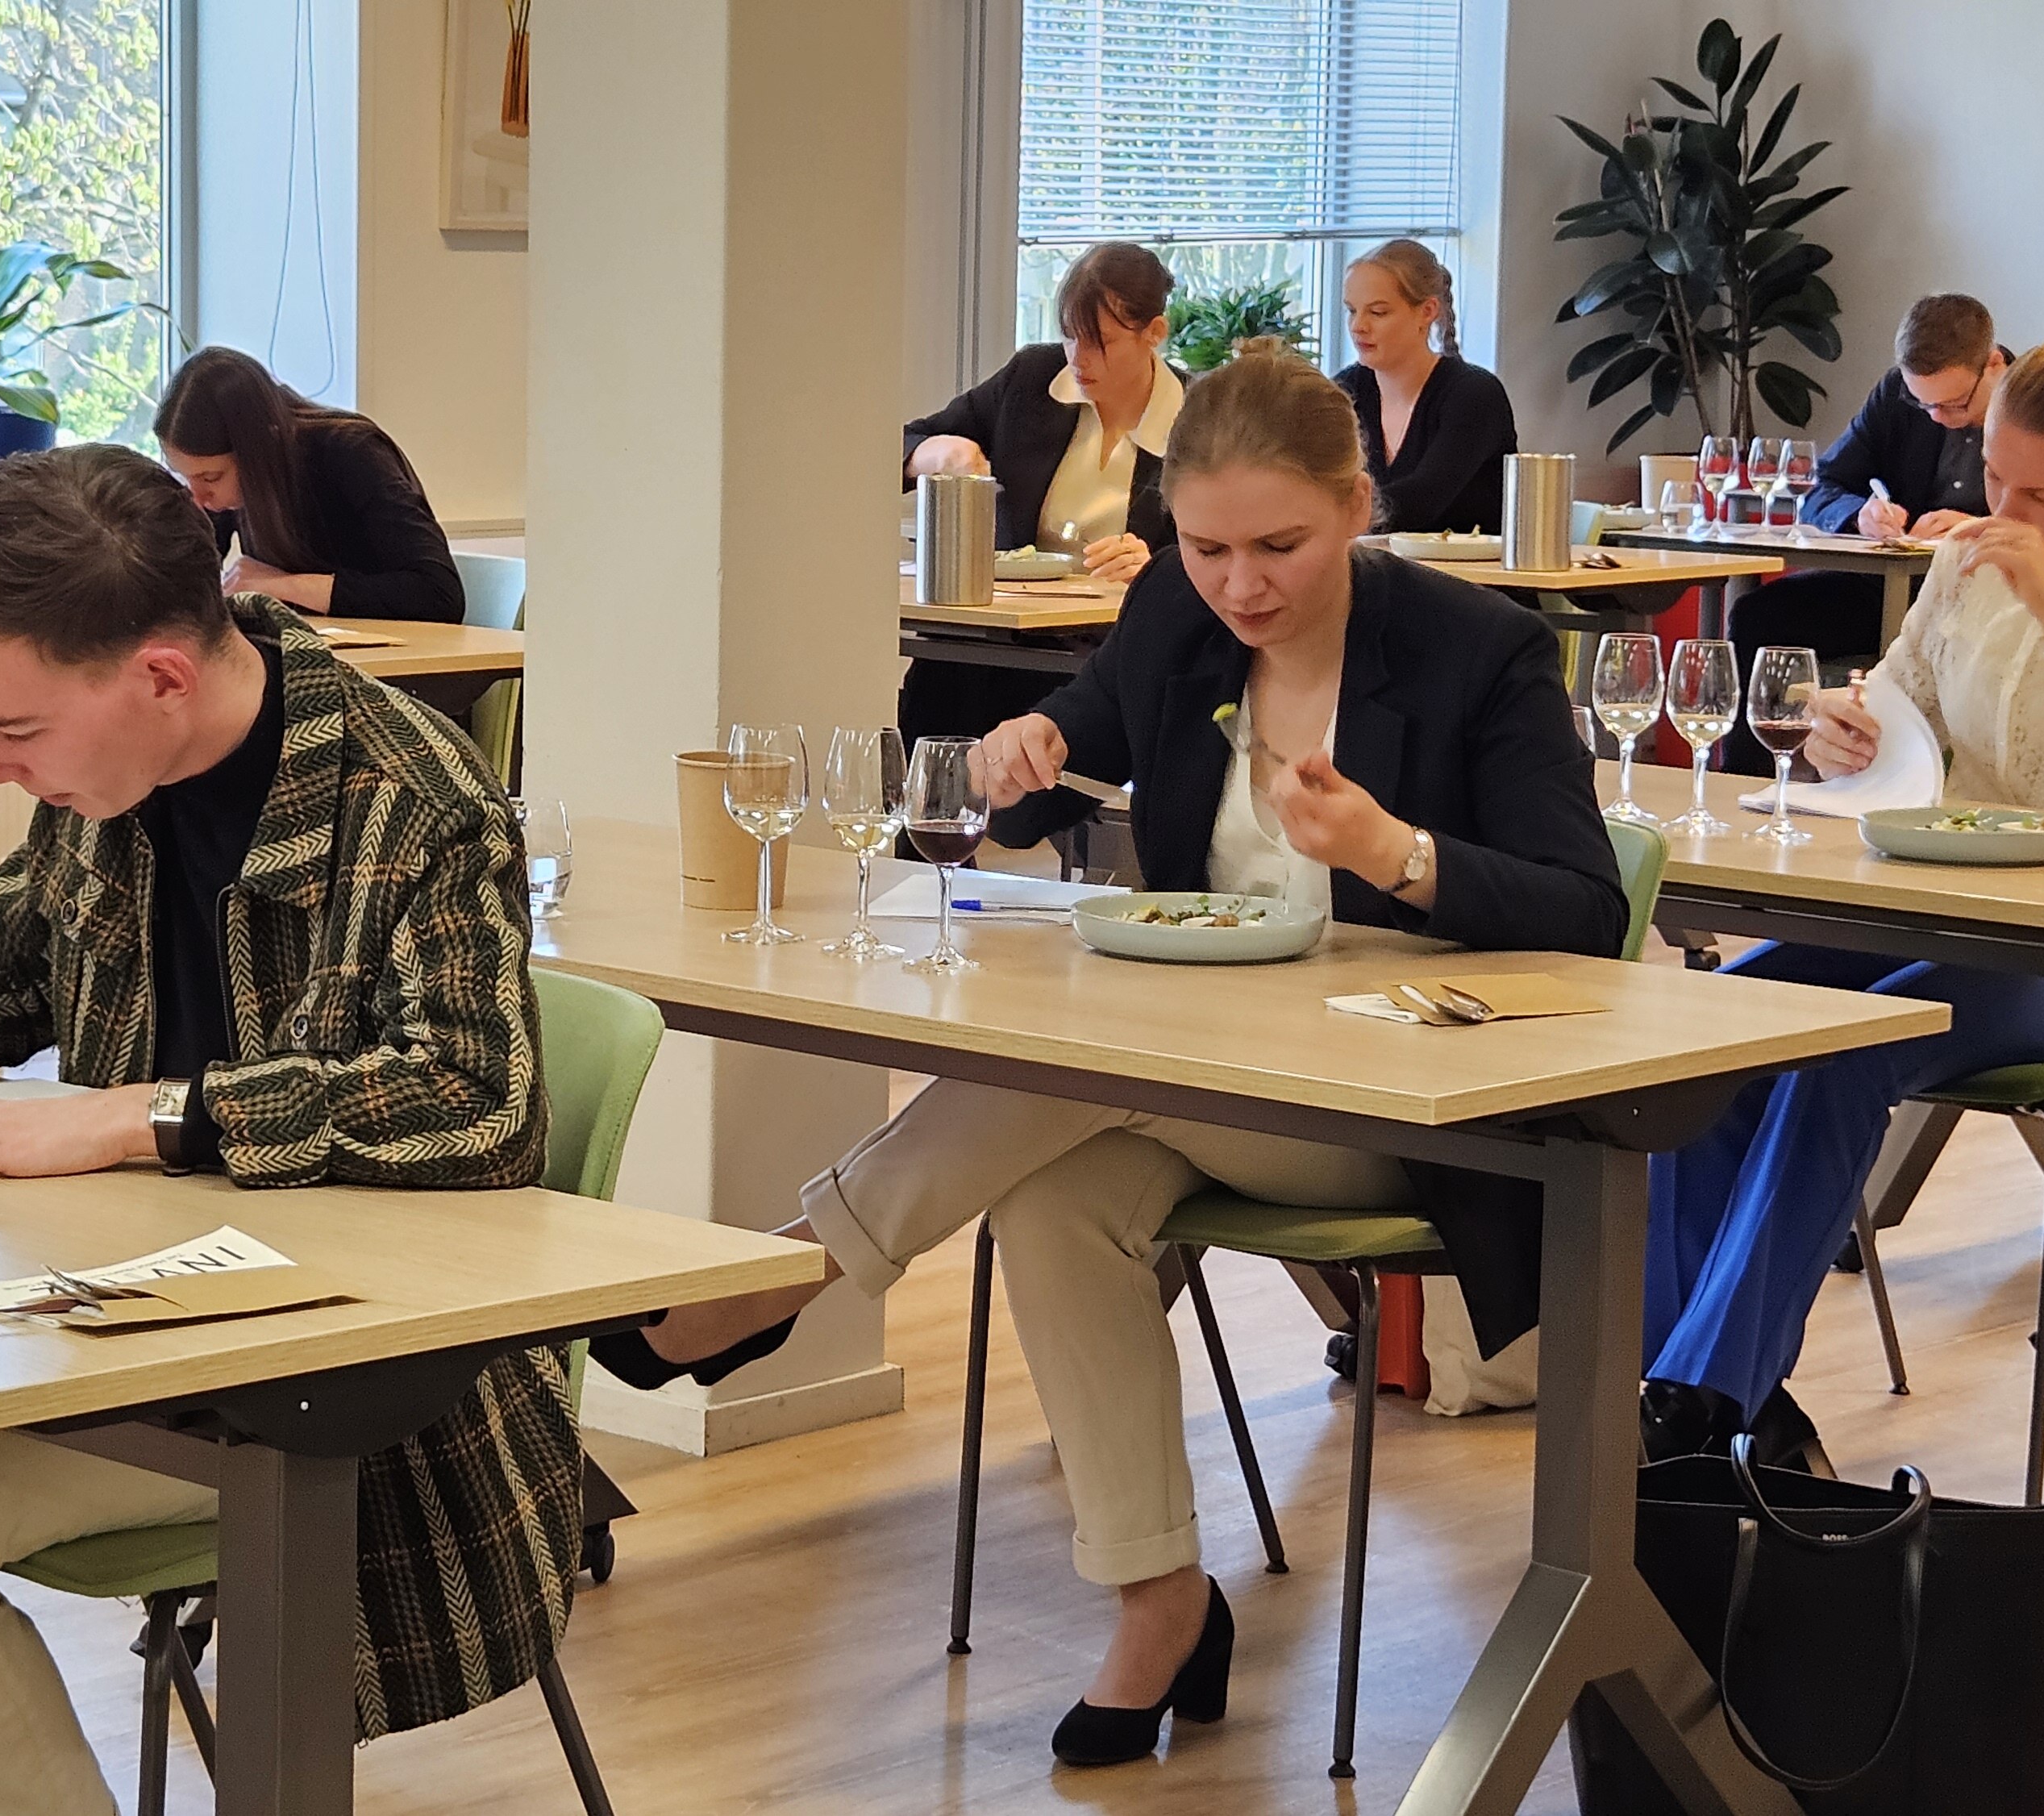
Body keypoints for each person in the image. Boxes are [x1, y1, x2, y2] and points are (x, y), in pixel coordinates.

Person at [598, 339, 1626, 1768]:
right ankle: (1160, 1600)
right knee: (1053, 1192)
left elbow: (1586, 910)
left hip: (1401, 1100)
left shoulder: (1479, 651)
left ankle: (792, 1268)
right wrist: (1021, 743)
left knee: (1076, 1071)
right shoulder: (1178, 618)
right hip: (1190, 1070)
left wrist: (1394, 850)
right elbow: (1071, 743)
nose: (1240, 585)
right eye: (1207, 548)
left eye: (1280, 546)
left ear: (1356, 506)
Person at [0, 444, 569, 1816]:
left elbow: (478, 1101)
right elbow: (11, 948)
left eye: (11, 733)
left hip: (337, 1374)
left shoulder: (411, 801)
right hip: (108, 1313)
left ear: (163, 676)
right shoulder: (116, 773)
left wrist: (152, 1117)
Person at [1643, 301, 2044, 1470]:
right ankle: (1693, 1385)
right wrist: (1848, 729)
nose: (2006, 513)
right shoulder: (1963, 560)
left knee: (1846, 1053)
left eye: (2043, 495)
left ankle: (1699, 1406)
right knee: (1710, 1037)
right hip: (1958, 914)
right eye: (1995, 478)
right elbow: (1906, 718)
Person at [897, 242, 1188, 746]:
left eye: (1101, 341)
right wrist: (930, 455)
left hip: (1104, 663)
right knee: (939, 710)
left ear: (1154, 334)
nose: (1079, 358)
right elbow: (901, 444)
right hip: (990, 650)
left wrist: (1158, 566)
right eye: (1070, 336)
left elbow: (1223, 551)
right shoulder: (1032, 380)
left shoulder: (1196, 417)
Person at [1721, 294, 2010, 770]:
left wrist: (1979, 528)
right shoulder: (1896, 395)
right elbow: (1820, 486)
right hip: (1889, 587)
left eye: (1953, 404)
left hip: (1981, 595)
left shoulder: (2034, 402)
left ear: (1994, 365)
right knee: (1759, 617)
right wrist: (1861, 514)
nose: (1936, 416)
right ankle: (1749, 783)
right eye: (1923, 404)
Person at [154, 344, 465, 623]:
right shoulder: (223, 493)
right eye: (184, 477)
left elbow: (439, 594)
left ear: (260, 449)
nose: (198, 497)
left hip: (400, 658)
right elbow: (185, 585)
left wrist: (284, 586)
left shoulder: (352, 452)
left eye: (210, 478)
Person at [1330, 239, 1516, 534]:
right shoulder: (1344, 391)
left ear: (1427, 311)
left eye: (1378, 312)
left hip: (1467, 564)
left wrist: (1323, 517)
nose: (1358, 326)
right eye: (1352, 311)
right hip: (1371, 560)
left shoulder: (1474, 395)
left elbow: (1422, 501)